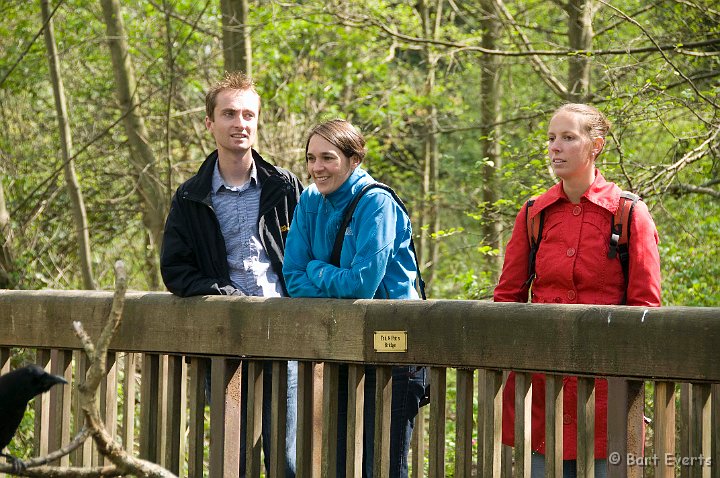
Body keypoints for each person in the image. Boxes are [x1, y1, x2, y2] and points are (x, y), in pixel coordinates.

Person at [494, 103, 661, 478]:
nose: (556, 147)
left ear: (596, 145)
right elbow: (506, 299)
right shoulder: (533, 213)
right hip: (542, 395)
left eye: (569, 138)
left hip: (608, 400)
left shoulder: (629, 214)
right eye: (552, 138)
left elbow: (646, 309)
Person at [160, 72, 303, 477]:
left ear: (257, 122)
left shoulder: (285, 186)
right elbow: (174, 269)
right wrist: (218, 291)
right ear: (210, 123)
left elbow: (310, 256)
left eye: (247, 115)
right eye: (228, 114)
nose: (239, 123)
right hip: (226, 343)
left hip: (286, 339)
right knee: (232, 460)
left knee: (286, 459)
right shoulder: (191, 196)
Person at [283, 119, 427, 477]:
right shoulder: (309, 202)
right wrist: (324, 276)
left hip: (395, 349)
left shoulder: (376, 203)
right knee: (343, 462)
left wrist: (315, 269)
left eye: (328, 158)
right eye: (311, 158)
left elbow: (363, 283)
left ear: (354, 160)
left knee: (384, 466)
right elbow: (291, 277)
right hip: (344, 347)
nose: (317, 168)